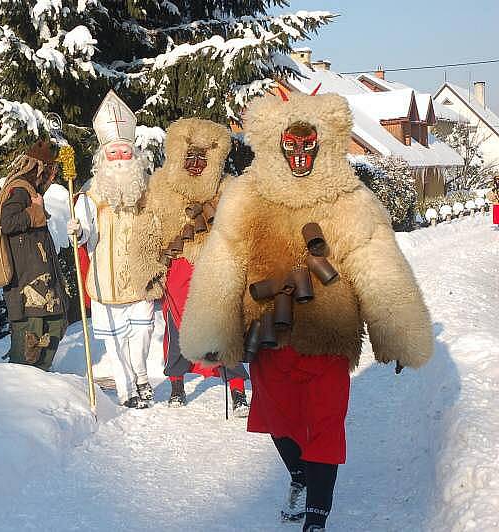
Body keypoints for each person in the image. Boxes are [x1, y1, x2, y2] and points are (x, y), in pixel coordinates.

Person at [178, 91, 434, 532]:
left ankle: (317, 516)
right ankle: (297, 476)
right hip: (266, 333)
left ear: (326, 141)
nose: (300, 155)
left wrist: (398, 332)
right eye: (291, 145)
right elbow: (224, 259)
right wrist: (212, 328)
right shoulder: (246, 195)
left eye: (308, 145)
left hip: (327, 334)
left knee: (324, 428)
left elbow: (378, 263)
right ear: (273, 141)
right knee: (279, 422)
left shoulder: (350, 200)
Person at [129, 118, 250, 414]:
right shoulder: (160, 186)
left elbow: (242, 230)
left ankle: (236, 391)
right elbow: (146, 230)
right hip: (178, 272)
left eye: (203, 157)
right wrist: (148, 269)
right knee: (176, 330)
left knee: (225, 329)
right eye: (190, 156)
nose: (196, 163)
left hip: (215, 269)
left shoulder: (227, 188)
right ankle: (176, 385)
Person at [67, 90, 154, 409]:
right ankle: (126, 390)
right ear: (104, 158)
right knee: (114, 341)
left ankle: (143, 375)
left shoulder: (148, 193)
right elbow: (84, 232)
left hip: (142, 279)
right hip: (106, 283)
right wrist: (77, 231)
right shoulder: (90, 197)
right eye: (113, 154)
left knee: (142, 335)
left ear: (135, 156)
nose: (120, 159)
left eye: (125, 153)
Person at [1, 140, 68, 371]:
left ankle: (40, 380)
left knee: (54, 326)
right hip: (28, 283)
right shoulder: (19, 189)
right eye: (50, 170)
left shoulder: (30, 191)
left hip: (40, 283)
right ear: (40, 167)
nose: (52, 176)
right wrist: (36, 210)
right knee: (30, 340)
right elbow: (7, 223)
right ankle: (26, 390)